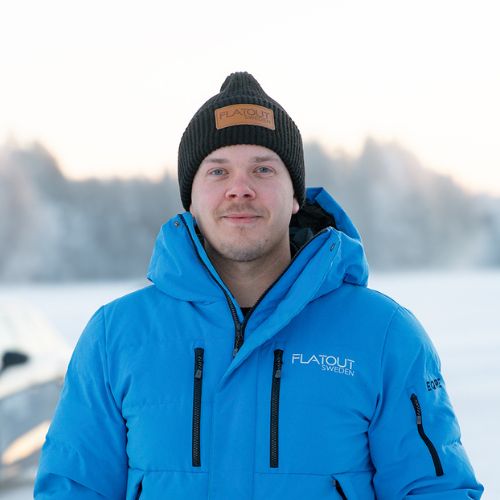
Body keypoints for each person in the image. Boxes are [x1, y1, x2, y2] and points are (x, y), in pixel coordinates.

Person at [34, 72, 483, 499]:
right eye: (218, 171)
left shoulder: (384, 334)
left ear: (295, 197)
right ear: (191, 199)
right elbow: (72, 489)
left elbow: (435, 490)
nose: (240, 189)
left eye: (263, 170)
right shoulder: (116, 335)